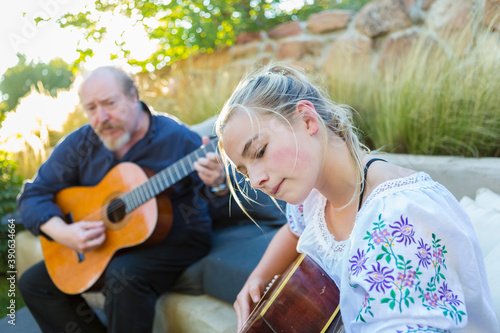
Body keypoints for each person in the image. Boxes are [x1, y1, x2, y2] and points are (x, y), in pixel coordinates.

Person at [215, 64, 499, 332]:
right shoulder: (312, 200)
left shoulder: (399, 219)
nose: (255, 180)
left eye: (260, 151)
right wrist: (259, 277)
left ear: (307, 120)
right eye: (243, 171)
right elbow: (293, 232)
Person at [17, 66, 229, 333]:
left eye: (110, 103)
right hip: (108, 239)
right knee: (34, 283)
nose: (101, 117)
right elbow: (34, 194)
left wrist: (219, 184)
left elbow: (218, 205)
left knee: (124, 275)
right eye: (91, 108)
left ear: (133, 97)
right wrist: (64, 233)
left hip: (175, 237)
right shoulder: (82, 143)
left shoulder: (178, 138)